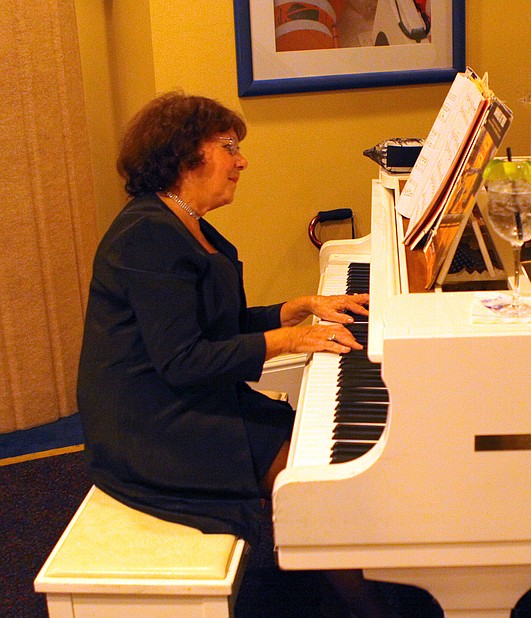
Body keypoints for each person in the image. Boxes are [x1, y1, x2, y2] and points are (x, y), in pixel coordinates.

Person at [77, 91, 393, 617]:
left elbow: (214, 326)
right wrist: (289, 341)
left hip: (181, 399)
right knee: (315, 483)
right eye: (228, 146)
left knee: (310, 450)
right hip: (151, 424)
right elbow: (184, 359)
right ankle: (370, 607)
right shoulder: (146, 237)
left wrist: (298, 308)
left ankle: (334, 585)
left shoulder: (181, 221)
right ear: (184, 155)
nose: (241, 160)